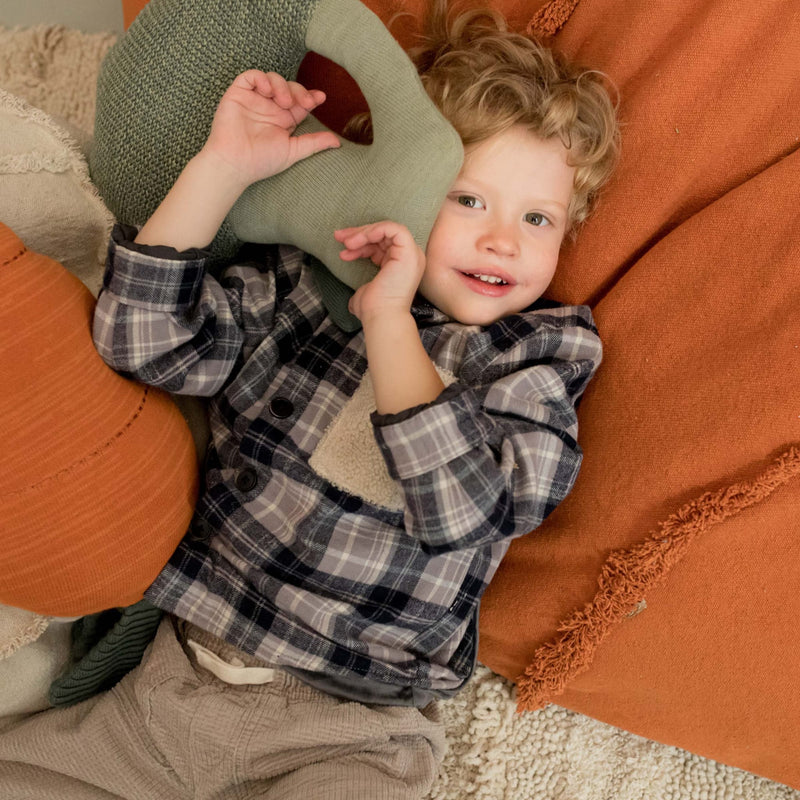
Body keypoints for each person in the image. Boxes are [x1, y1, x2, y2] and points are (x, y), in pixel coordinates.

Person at [0, 2, 618, 797]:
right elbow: (140, 342)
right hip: (172, 680)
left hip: (345, 727)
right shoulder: (300, 290)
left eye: (539, 218)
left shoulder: (536, 359)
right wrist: (220, 170)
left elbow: (466, 511)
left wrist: (392, 323)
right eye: (468, 199)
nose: (505, 239)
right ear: (399, 177)